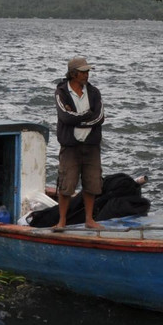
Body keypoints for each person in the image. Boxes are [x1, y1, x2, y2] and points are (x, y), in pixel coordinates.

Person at [54, 56, 105, 230]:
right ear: (73, 74)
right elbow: (65, 117)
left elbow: (99, 117)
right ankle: (62, 221)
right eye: (83, 72)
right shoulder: (61, 91)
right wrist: (85, 116)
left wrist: (77, 119)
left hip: (91, 145)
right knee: (66, 184)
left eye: (87, 72)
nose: (86, 75)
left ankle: (89, 220)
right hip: (70, 146)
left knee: (92, 183)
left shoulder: (94, 92)